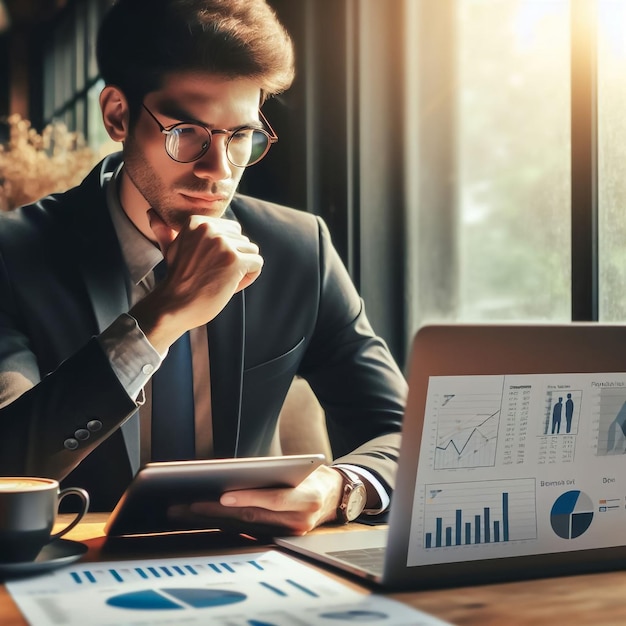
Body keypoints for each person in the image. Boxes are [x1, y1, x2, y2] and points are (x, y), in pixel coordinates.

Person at [0, 0, 407, 535]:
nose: (218, 171)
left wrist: (342, 487)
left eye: (239, 137)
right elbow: (9, 461)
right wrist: (158, 320)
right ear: (117, 115)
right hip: (71, 568)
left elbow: (403, 433)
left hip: (258, 566)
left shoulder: (297, 249)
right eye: (187, 132)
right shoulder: (13, 254)